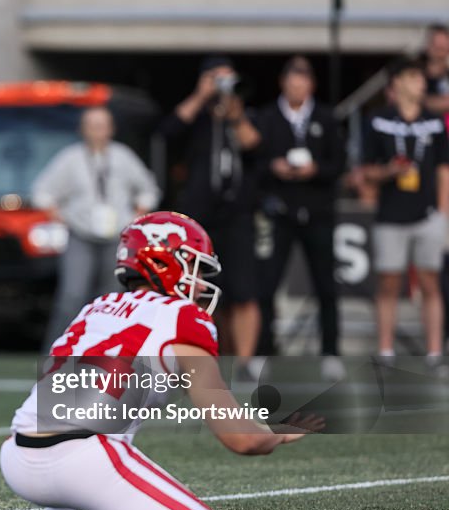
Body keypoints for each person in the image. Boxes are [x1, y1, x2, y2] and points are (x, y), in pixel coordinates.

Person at [0, 211, 322, 510]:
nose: (201, 283)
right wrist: (278, 430)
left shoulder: (96, 307)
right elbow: (243, 439)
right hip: (83, 463)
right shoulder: (185, 318)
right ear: (165, 262)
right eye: (196, 268)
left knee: (88, 422)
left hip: (18, 458)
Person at [160, 56, 261, 377]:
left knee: (244, 289)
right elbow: (167, 132)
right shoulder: (197, 118)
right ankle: (196, 356)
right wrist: (202, 95)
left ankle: (245, 361)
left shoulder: (243, 116)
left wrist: (234, 113)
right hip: (199, 215)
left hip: (238, 213)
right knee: (194, 287)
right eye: (219, 80)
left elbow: (255, 146)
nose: (224, 87)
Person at [33, 106, 160, 351]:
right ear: (82, 129)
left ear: (111, 129)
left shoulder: (123, 157)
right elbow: (43, 191)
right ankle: (58, 350)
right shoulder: (69, 158)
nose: (97, 131)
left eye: (102, 125)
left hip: (117, 238)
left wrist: (138, 213)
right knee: (72, 294)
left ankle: (103, 350)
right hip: (81, 234)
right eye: (92, 125)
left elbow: (148, 188)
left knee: (112, 297)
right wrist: (57, 214)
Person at [254, 56, 346, 378]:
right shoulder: (266, 118)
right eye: (293, 80)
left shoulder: (326, 118)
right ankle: (262, 350)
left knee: (326, 285)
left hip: (318, 212)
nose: (298, 86)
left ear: (311, 85)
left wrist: (315, 169)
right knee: (267, 284)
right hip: (280, 212)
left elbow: (339, 165)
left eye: (304, 80)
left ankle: (331, 352)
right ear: (283, 82)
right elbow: (254, 163)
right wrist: (274, 167)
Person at [357, 57, 449, 370]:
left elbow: (443, 170)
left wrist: (443, 214)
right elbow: (366, 172)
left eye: (420, 76)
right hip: (391, 216)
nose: (420, 82)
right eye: (412, 76)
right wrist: (389, 171)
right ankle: (385, 351)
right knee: (389, 283)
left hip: (427, 215)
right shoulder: (378, 119)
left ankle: (434, 351)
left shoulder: (434, 121)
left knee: (431, 282)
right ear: (396, 83)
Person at [421, 23, 449, 116]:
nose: (440, 51)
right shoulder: (417, 74)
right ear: (428, 46)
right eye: (436, 46)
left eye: (443, 47)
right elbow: (414, 101)